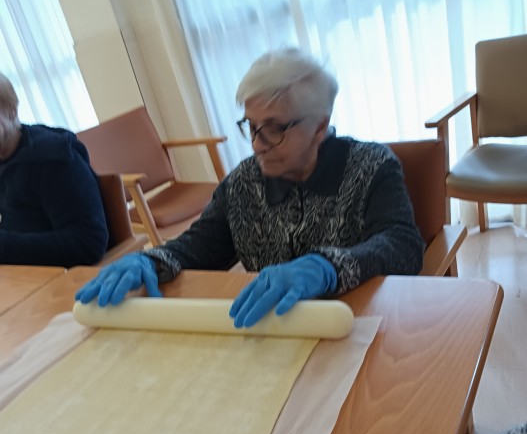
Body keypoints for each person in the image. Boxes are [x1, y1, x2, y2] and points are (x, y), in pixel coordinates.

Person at [76, 48, 424, 326]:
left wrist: (327, 267)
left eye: (274, 128)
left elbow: (403, 245)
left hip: (356, 323)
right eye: (251, 126)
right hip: (273, 327)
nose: (257, 144)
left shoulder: (370, 166)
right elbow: (202, 245)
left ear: (320, 126)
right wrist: (150, 261)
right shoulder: (244, 181)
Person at [0, 73, 109, 267]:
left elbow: (88, 242)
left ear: (10, 111)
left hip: (65, 275)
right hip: (19, 273)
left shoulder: (53, 157)